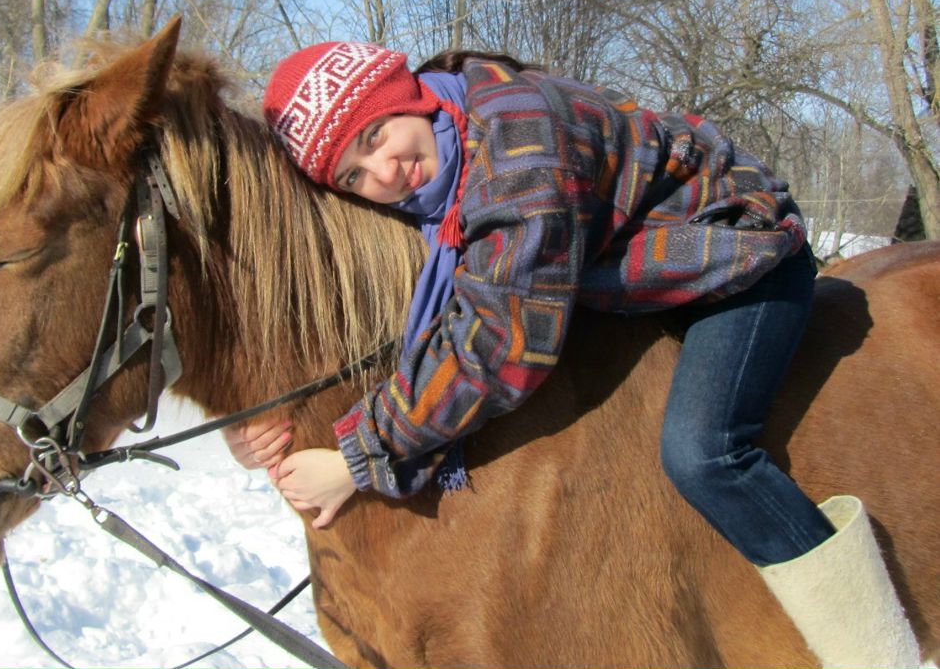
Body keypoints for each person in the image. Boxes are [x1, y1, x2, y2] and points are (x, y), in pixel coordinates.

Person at [226, 41, 919, 668]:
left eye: (377, 135)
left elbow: (498, 341)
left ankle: (873, 650)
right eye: (354, 175)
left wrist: (358, 454)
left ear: (407, 95)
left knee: (705, 454)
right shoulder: (443, 169)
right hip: (630, 276)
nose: (385, 170)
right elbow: (429, 316)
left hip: (734, 258)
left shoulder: (520, 146)